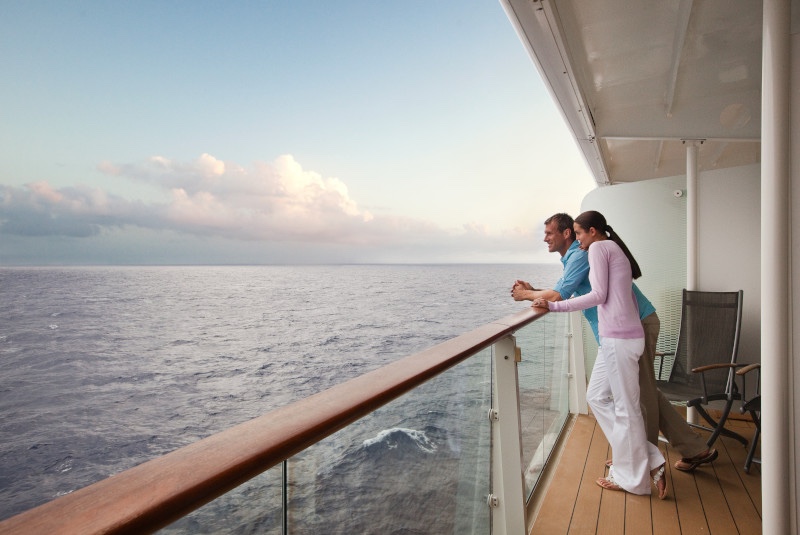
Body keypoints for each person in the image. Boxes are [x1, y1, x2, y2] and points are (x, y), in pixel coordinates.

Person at [512, 213, 716, 473]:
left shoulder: (583, 254)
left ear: (567, 234)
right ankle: (686, 450)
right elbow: (568, 291)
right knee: (642, 391)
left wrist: (525, 294)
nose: (545, 238)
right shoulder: (578, 256)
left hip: (633, 326)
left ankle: (641, 461)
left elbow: (560, 295)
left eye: (549, 233)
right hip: (627, 328)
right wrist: (535, 291)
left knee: (640, 395)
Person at [532, 210, 666, 496]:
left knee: (626, 409)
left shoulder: (598, 249)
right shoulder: (613, 248)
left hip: (619, 339)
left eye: (579, 233)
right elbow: (622, 297)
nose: (578, 239)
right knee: (596, 397)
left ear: (592, 231)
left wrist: (553, 306)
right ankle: (648, 458)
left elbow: (598, 296)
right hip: (616, 339)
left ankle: (634, 480)